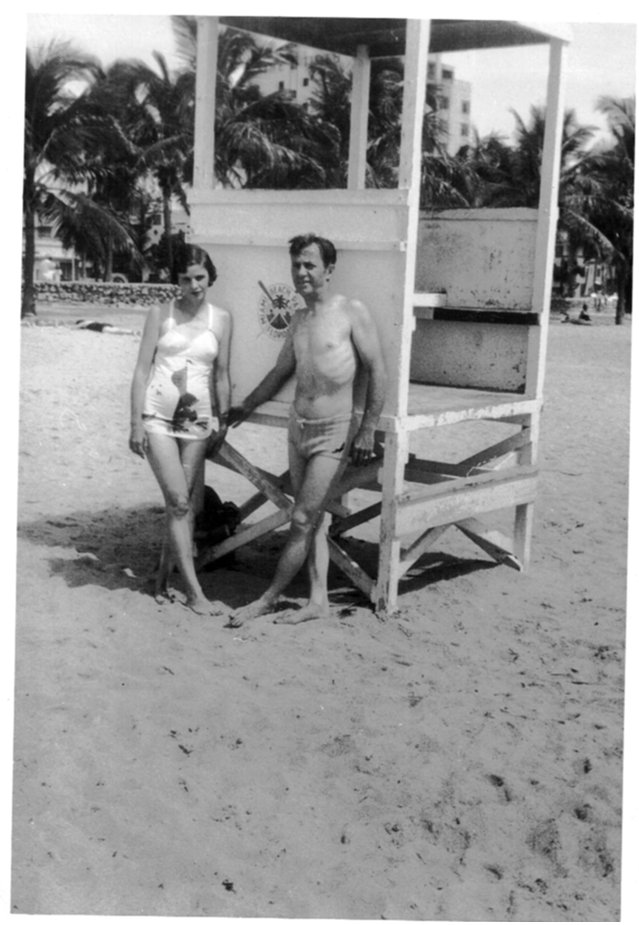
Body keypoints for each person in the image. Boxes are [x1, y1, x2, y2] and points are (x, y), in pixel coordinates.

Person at [226, 232, 386, 627]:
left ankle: (267, 598)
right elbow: (281, 370)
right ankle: (317, 600)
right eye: (296, 265)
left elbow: (377, 369)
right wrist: (247, 405)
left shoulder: (351, 311)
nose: (301, 272)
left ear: (329, 270)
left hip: (333, 432)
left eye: (310, 265)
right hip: (298, 429)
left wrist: (366, 428)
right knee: (311, 521)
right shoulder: (298, 319)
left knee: (300, 519)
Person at [129, 244, 232, 615]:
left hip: (198, 422)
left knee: (183, 508)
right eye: (186, 278)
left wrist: (224, 419)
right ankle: (194, 594)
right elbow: (142, 370)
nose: (193, 284)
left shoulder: (222, 319)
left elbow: (222, 375)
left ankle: (161, 577)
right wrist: (135, 423)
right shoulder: (160, 314)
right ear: (177, 280)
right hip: (157, 418)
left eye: (200, 277)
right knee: (179, 501)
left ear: (210, 278)